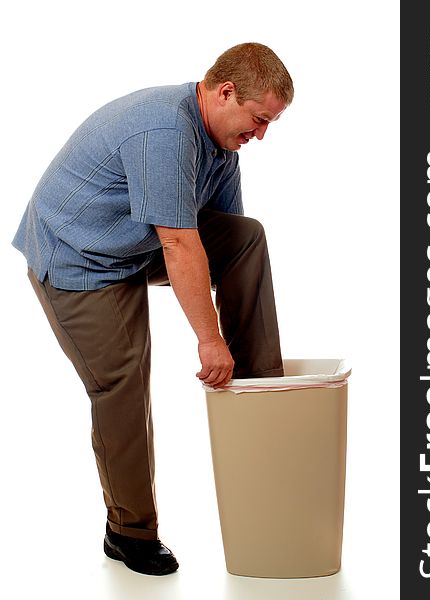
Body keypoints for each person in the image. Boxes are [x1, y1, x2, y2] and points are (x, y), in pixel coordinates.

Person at [12, 42, 294, 576]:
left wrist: (226, 340)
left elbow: (220, 241)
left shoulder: (222, 146)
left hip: (133, 242)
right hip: (81, 260)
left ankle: (259, 393)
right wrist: (208, 342)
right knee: (122, 383)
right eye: (259, 120)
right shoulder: (164, 131)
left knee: (246, 237)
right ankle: (128, 532)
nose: (261, 135)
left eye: (269, 124)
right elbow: (181, 245)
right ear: (225, 92)